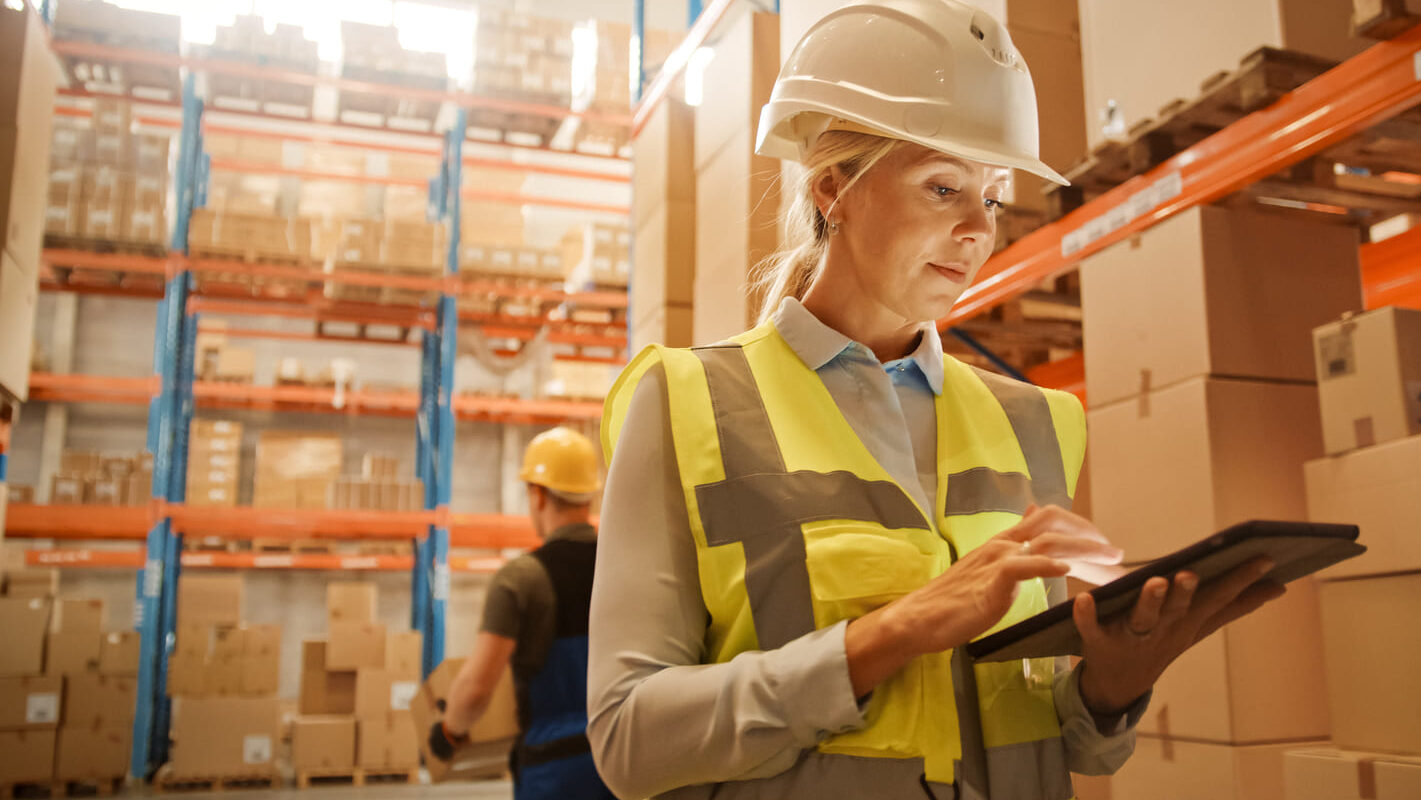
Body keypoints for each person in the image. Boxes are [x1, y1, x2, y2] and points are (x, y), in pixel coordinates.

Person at [586, 1, 1287, 798]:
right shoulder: (687, 401)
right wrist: (888, 635)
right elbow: (627, 741)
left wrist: (1114, 684)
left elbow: (1060, 739)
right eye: (943, 187)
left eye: (993, 197)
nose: (978, 229)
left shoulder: (1035, 421)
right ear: (832, 190)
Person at [427, 426, 615, 800]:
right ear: (589, 494)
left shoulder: (521, 579)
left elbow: (478, 686)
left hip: (555, 770)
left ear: (538, 494)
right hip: (621, 761)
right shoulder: (622, 566)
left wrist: (449, 733)